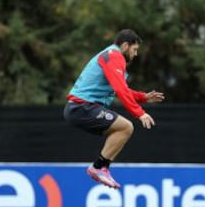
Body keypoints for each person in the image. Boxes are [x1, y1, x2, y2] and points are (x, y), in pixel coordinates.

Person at [64, 29, 164, 189]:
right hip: (82, 107)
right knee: (125, 127)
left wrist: (143, 97)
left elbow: (121, 88)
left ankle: (101, 167)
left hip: (80, 108)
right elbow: (120, 90)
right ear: (125, 45)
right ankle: (98, 167)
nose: (136, 54)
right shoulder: (114, 56)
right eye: (134, 49)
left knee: (122, 129)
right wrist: (140, 113)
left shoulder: (111, 56)